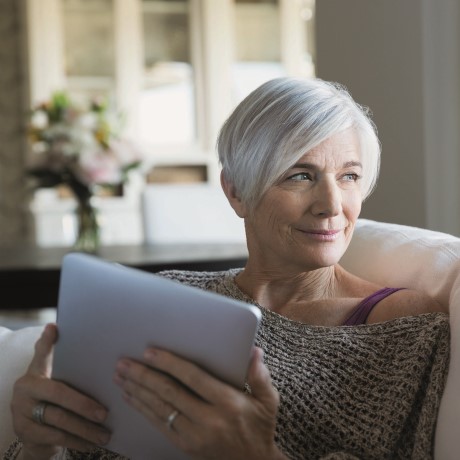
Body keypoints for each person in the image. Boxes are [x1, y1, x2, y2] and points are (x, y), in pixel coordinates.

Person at [5, 77, 450, 460]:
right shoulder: (167, 298)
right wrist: (37, 446)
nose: (332, 205)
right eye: (300, 175)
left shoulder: (406, 325)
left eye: (349, 176)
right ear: (236, 191)